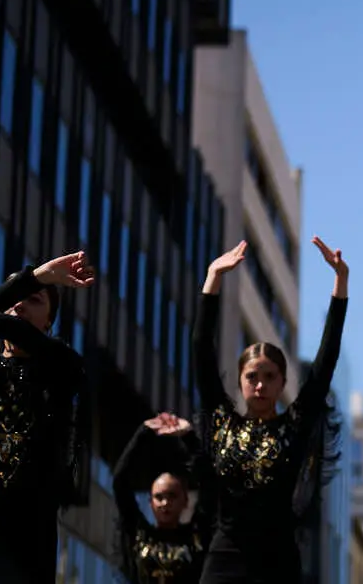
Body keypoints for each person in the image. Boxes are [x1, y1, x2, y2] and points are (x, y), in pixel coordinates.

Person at [193, 237, 349, 583]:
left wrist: (341, 283)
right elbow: (202, 350)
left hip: (277, 565)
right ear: (240, 381)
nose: (260, 385)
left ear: (282, 383)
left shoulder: (293, 426)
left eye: (269, 377)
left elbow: (325, 364)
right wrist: (213, 277)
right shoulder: (221, 422)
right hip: (223, 561)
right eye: (252, 376)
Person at [0, 252, 93, 583]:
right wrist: (35, 279)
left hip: (25, 541)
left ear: (49, 320)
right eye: (13, 300)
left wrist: (34, 282)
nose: (19, 306)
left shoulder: (63, 367)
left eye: (32, 301)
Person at [113, 413, 210, 583]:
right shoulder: (139, 534)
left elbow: (210, 484)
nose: (165, 503)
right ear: (150, 502)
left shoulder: (195, 537)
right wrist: (143, 432)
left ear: (185, 501)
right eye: (159, 497)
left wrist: (189, 437)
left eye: (172, 496)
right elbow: (120, 482)